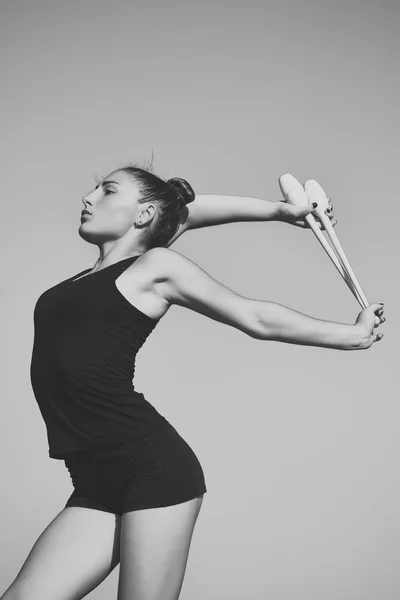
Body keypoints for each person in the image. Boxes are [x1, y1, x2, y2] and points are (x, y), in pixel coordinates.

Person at [2, 164, 384, 600]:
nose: (88, 198)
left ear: (143, 215)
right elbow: (185, 210)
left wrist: (351, 334)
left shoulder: (152, 268)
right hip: (93, 478)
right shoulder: (96, 274)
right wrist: (282, 211)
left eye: (107, 190)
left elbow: (254, 316)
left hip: (149, 468)